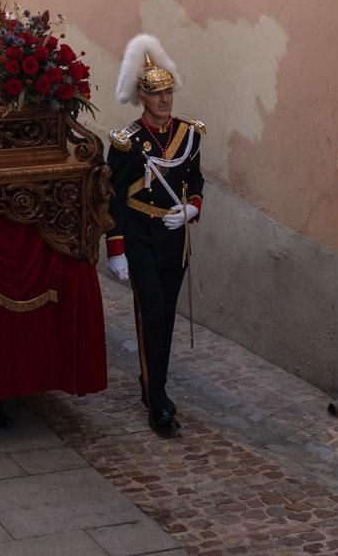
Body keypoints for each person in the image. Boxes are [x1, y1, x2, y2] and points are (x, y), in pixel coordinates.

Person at [105, 34, 204, 439]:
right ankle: (158, 401)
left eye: (168, 93)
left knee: (166, 317)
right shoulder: (127, 143)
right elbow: (111, 199)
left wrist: (193, 209)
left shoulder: (191, 133)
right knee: (152, 316)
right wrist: (116, 249)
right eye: (156, 94)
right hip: (140, 235)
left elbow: (195, 178)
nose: (165, 101)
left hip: (173, 238)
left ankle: (152, 385)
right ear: (141, 98)